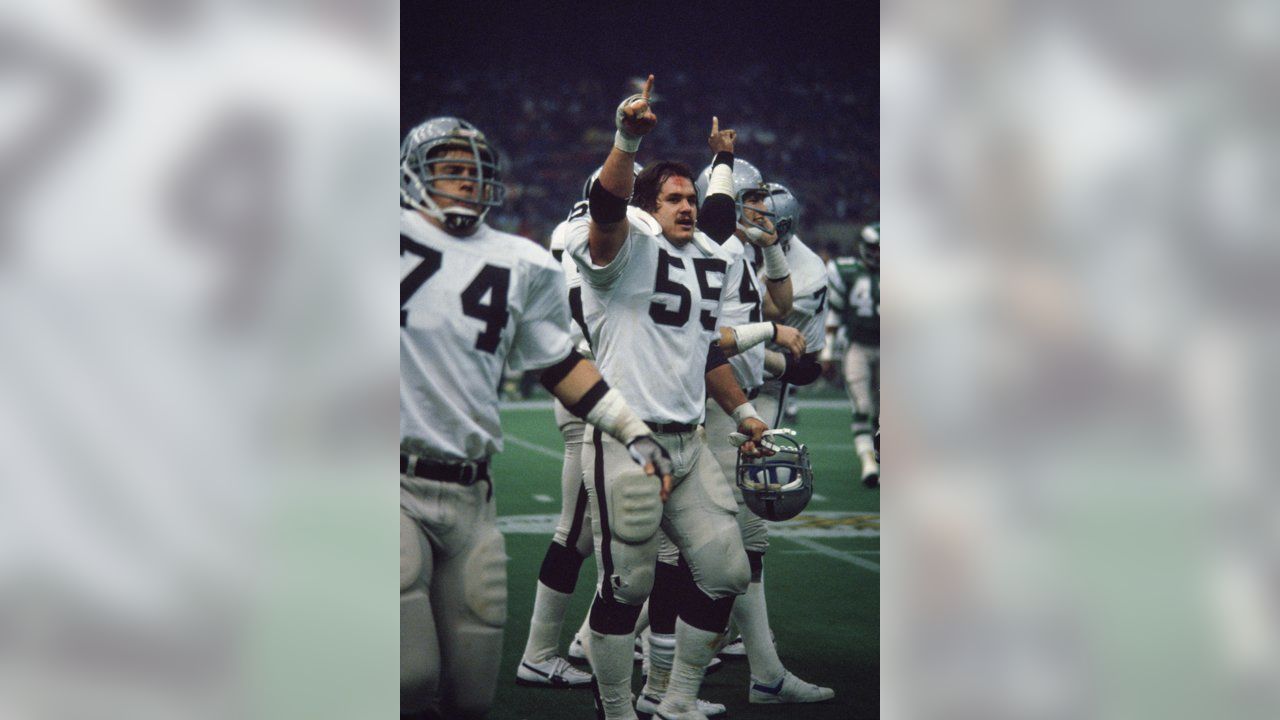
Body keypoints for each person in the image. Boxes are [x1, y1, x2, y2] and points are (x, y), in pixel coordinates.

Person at [398, 116, 674, 719]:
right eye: (451, 171)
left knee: (472, 694)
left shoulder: (519, 260)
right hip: (390, 481)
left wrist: (634, 431)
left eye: (474, 172)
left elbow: (561, 365)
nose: (466, 183)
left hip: (473, 492)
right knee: (410, 678)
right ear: (415, 177)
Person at [564, 75, 773, 720]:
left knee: (726, 572)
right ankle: (616, 705)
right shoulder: (623, 251)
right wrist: (627, 137)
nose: (686, 207)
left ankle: (676, 697)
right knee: (628, 586)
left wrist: (741, 410)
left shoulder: (701, 260)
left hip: (688, 442)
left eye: (688, 198)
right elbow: (605, 212)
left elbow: (704, 351)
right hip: (631, 439)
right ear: (647, 208)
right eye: (671, 199)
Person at [690, 169, 836, 705]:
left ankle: (756, 668)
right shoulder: (708, 250)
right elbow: (713, 337)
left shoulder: (801, 267)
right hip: (708, 403)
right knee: (690, 545)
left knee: (741, 542)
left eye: (763, 204)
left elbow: (803, 359)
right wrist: (769, 346)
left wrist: (767, 351)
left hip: (749, 404)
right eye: (744, 201)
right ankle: (627, 651)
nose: (756, 212)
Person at [514, 162, 642, 691]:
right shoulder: (607, 234)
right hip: (593, 389)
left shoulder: (565, 230)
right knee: (580, 533)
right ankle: (544, 649)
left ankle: (589, 634)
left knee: (595, 532)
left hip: (582, 385)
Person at [826, 221, 881, 486]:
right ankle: (868, 463)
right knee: (862, 406)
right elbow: (835, 312)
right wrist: (827, 351)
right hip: (858, 345)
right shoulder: (847, 271)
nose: (879, 254)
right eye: (875, 248)